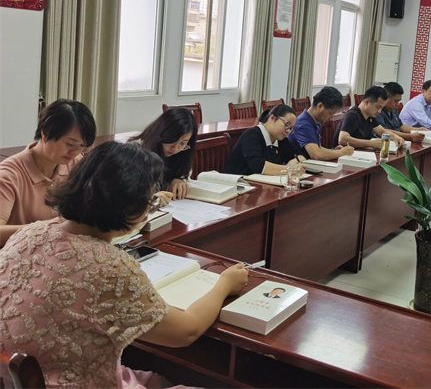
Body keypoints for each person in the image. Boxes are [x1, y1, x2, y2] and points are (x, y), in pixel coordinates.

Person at [0, 141, 248, 388]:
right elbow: (186, 332)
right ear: (128, 205)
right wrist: (224, 284)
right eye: (149, 202)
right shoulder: (110, 268)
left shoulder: (28, 234)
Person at [0, 99, 96, 245]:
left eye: (82, 146)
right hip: (20, 253)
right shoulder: (9, 175)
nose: (75, 151)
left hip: (61, 249)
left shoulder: (76, 163)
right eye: (70, 144)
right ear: (45, 134)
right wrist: (50, 227)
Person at [130, 108, 198, 205]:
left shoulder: (183, 153)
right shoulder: (137, 153)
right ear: (161, 134)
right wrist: (150, 200)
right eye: (172, 141)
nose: (175, 148)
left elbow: (185, 174)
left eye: (183, 143)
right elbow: (127, 195)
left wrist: (178, 180)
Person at [226, 104, 303, 176]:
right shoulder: (252, 135)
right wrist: (289, 169)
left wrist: (294, 161)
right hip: (240, 183)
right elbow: (258, 166)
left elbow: (301, 156)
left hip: (262, 182)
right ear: (272, 118)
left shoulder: (280, 139)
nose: (288, 131)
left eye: (291, 128)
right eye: (287, 125)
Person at [288, 87, 355, 160]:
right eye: (331, 113)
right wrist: (342, 152)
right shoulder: (303, 124)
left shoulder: (316, 121)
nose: (331, 118)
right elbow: (316, 155)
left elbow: (318, 148)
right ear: (319, 106)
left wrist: (333, 151)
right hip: (296, 164)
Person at [335, 86, 404, 149]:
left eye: (381, 108)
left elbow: (382, 131)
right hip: (342, 155)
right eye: (378, 107)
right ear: (367, 102)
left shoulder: (370, 116)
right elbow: (343, 139)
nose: (379, 111)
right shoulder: (352, 115)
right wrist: (370, 143)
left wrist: (395, 137)